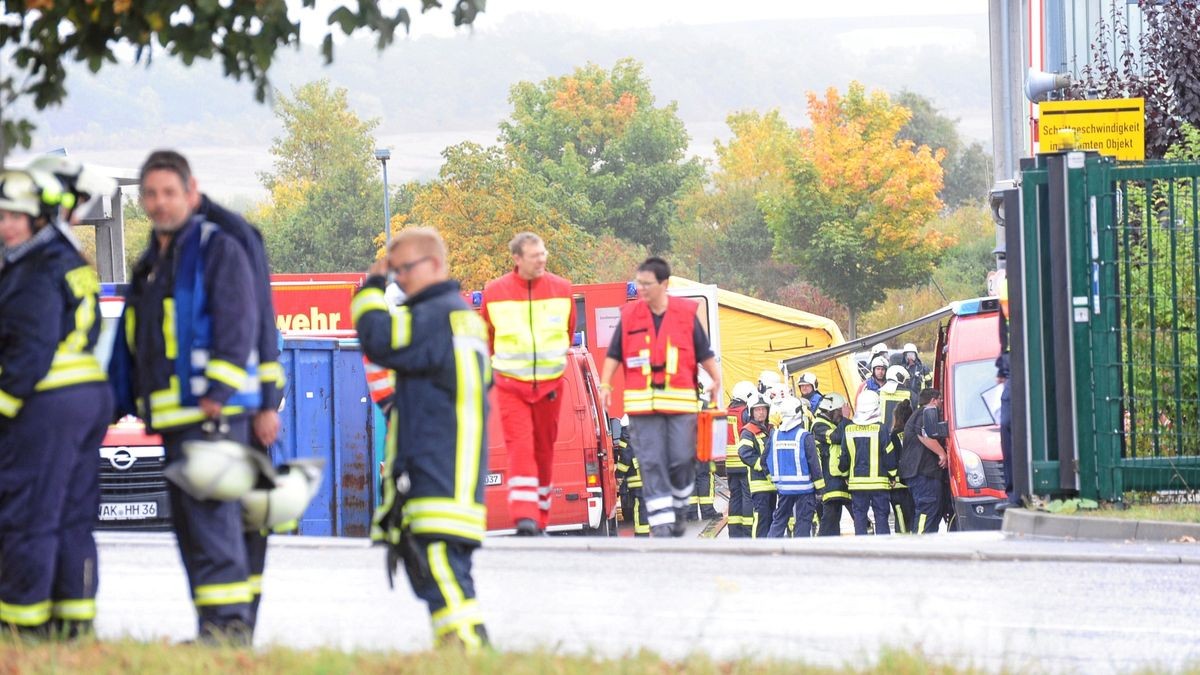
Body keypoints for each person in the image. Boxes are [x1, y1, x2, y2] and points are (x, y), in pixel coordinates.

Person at [107, 152, 266, 644]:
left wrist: (217, 393)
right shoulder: (152, 261)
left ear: (190, 193)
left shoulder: (217, 248)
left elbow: (238, 322)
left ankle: (231, 630)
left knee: (216, 525)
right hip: (175, 420)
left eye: (168, 193)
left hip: (212, 414)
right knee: (191, 530)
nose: (159, 203)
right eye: (150, 194)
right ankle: (211, 629)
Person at [354, 227, 490, 649]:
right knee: (442, 569)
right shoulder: (461, 317)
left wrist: (371, 287)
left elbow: (376, 339)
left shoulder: (429, 318)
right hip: (455, 467)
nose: (399, 280)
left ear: (434, 264)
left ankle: (471, 650)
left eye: (403, 269)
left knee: (439, 567)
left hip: (437, 467)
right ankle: (457, 649)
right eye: (393, 273)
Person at [0, 169, 113, 638]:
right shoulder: (69, 259)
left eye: (14, 217)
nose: (5, 225)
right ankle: (73, 624)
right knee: (71, 517)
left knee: (28, 514)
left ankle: (22, 628)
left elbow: (31, 350)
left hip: (48, 404)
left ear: (38, 219)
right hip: (84, 399)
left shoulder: (33, 269)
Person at [598, 257, 722, 538]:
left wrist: (716, 379)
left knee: (680, 460)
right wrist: (605, 384)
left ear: (664, 284)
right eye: (638, 283)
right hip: (642, 407)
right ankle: (665, 524)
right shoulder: (630, 317)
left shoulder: (685, 315)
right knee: (652, 463)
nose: (641, 288)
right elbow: (614, 354)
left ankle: (678, 506)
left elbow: (704, 353)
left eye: (646, 283)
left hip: (679, 404)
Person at [481, 232, 575, 536]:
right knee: (520, 447)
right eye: (535, 256)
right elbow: (489, 338)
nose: (542, 259)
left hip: (549, 386)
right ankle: (524, 517)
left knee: (543, 451)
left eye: (543, 254)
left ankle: (541, 518)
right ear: (517, 259)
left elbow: (568, 332)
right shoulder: (494, 292)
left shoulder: (563, 290)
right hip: (511, 386)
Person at [765, 397, 823, 538]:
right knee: (803, 523)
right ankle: (799, 553)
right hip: (805, 490)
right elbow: (814, 465)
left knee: (779, 521)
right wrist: (820, 490)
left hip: (783, 489)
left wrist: (774, 480)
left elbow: (763, 461)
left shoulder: (774, 435)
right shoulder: (805, 436)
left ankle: (769, 549)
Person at [844, 390, 896, 535]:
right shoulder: (882, 429)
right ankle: (883, 549)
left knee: (859, 517)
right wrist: (893, 475)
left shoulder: (849, 430)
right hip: (879, 485)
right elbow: (889, 455)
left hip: (857, 485)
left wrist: (845, 476)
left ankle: (861, 549)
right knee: (881, 517)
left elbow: (844, 457)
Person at [901, 389, 949, 534]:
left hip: (924, 474)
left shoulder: (919, 414)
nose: (941, 402)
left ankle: (929, 547)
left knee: (932, 512)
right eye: (940, 399)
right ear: (933, 400)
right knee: (926, 511)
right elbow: (924, 435)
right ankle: (919, 546)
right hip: (923, 474)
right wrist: (942, 454)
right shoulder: (925, 413)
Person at [993, 269, 1021, 512]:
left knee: (1010, 425)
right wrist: (1002, 366)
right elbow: (1006, 333)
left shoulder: (1019, 281)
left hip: (1023, 366)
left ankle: (1019, 493)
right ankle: (1016, 494)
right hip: (1014, 366)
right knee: (1008, 426)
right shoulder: (1008, 284)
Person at [812, 394, 852, 536]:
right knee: (831, 517)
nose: (841, 415)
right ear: (831, 410)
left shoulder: (834, 423)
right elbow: (836, 437)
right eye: (840, 412)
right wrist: (846, 420)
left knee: (840, 515)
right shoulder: (819, 425)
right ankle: (824, 546)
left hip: (840, 477)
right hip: (830, 479)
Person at [736, 394, 775, 538]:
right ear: (751, 412)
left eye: (763, 409)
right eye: (757, 410)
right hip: (759, 483)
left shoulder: (771, 429)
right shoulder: (749, 431)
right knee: (761, 519)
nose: (761, 412)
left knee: (771, 518)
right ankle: (758, 548)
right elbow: (744, 452)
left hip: (772, 483)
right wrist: (762, 465)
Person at [723, 381, 756, 538]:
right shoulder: (745, 412)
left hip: (729, 463)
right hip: (744, 461)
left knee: (734, 497)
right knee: (747, 496)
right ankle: (749, 531)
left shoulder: (725, 412)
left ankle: (734, 532)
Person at [613, 417, 649, 537]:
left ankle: (641, 534)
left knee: (639, 504)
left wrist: (618, 474)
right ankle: (644, 532)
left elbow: (626, 456)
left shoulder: (627, 435)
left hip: (637, 476)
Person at [887, 399, 915, 534]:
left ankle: (902, 545)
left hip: (898, 485)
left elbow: (891, 458)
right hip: (914, 480)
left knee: (901, 519)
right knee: (913, 516)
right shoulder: (915, 433)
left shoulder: (894, 435)